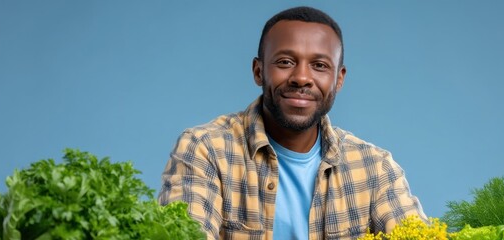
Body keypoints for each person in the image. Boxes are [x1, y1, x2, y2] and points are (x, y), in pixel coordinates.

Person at [158, 6, 427, 240]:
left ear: (339, 79)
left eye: (319, 65)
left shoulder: (374, 168)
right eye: (285, 62)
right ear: (258, 71)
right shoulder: (205, 150)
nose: (301, 77)